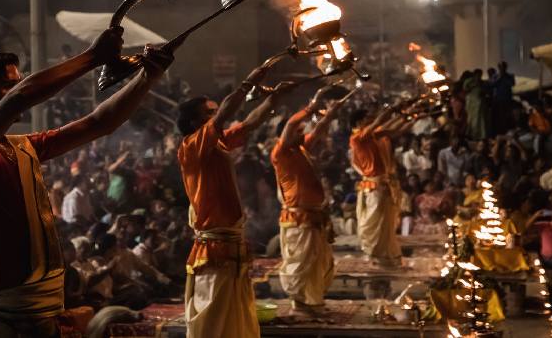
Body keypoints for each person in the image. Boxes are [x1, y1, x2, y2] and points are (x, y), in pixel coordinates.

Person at [0, 28, 173, 337]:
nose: (18, 89)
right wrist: (91, 59)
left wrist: (148, 77)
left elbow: (100, 123)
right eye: (7, 85)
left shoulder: (21, 146)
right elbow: (22, 97)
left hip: (44, 313)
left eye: (17, 82)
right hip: (3, 322)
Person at [176, 61, 287, 338]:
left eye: (215, 112)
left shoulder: (219, 142)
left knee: (234, 318)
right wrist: (249, 80)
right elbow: (227, 111)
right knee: (213, 319)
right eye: (209, 113)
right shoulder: (192, 147)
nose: (216, 115)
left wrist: (274, 98)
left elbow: (250, 124)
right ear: (194, 123)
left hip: (230, 242)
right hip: (215, 246)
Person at [271, 87, 348, 313]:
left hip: (314, 217)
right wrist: (311, 107)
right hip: (298, 217)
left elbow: (321, 129)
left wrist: (332, 112)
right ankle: (301, 303)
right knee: (301, 263)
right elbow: (289, 126)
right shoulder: (280, 152)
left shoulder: (301, 148)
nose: (302, 133)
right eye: (298, 131)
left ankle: (313, 302)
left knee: (318, 262)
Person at [350, 106, 412, 266]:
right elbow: (380, 122)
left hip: (383, 184)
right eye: (368, 117)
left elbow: (393, 129)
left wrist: (410, 116)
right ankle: (375, 256)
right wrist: (394, 109)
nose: (372, 119)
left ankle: (386, 258)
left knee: (386, 223)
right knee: (374, 223)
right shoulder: (357, 138)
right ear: (360, 122)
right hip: (373, 186)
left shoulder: (373, 135)